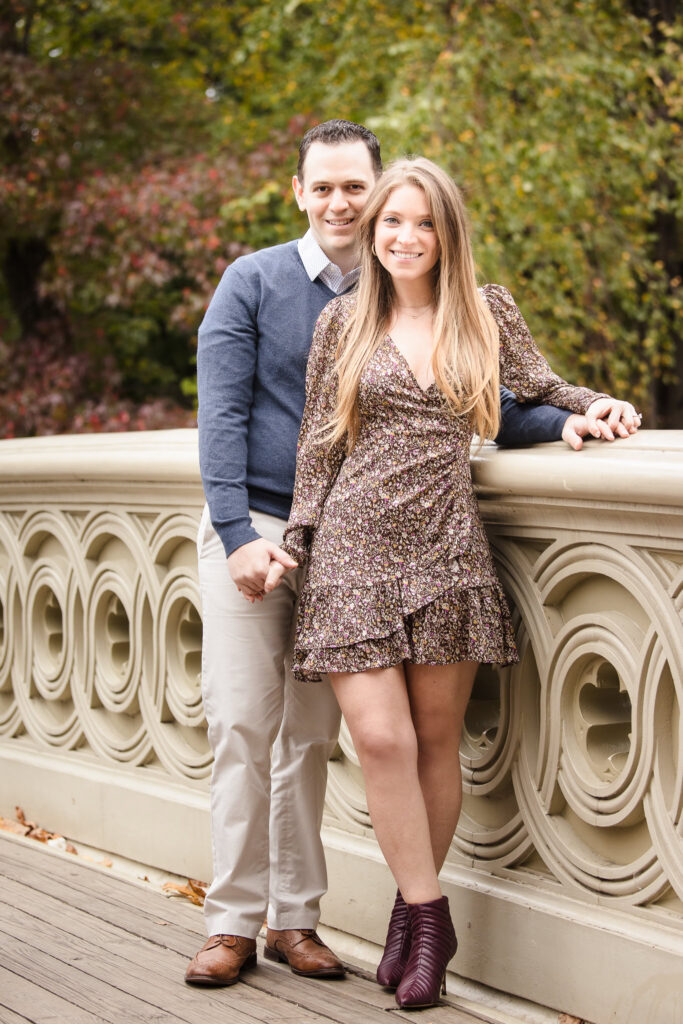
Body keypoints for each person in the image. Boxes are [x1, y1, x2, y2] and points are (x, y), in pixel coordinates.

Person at [187, 121, 640, 989]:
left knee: (406, 742)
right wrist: (277, 539)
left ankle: (389, 926)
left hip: (442, 546)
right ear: (303, 194)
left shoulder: (482, 308)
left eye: (415, 220)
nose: (393, 230)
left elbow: (525, 396)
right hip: (322, 545)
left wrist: (589, 411)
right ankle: (246, 922)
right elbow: (300, 440)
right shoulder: (314, 309)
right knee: (337, 735)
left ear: (442, 230)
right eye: (380, 215)